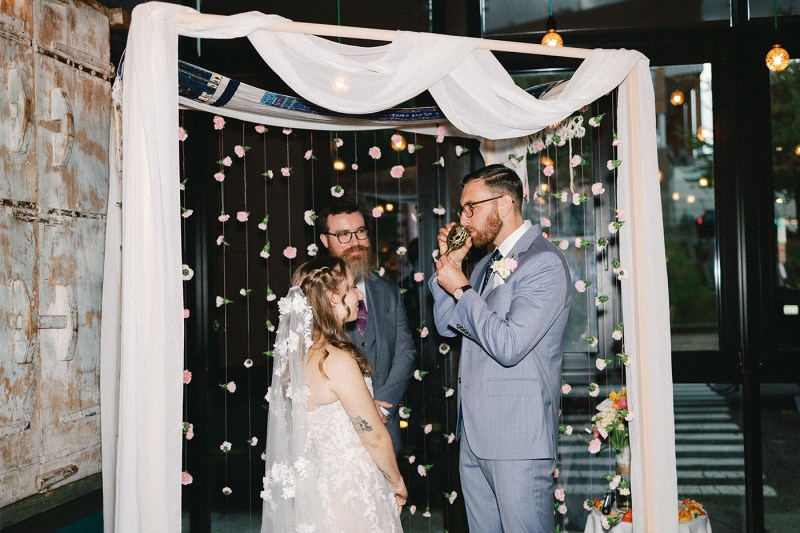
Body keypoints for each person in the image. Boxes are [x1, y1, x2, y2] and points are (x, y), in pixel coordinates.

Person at [429, 164, 571, 533]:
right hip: (475, 435)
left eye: (470, 207)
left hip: (517, 439)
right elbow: (447, 325)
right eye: (462, 209)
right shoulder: (482, 267)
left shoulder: (544, 263)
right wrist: (453, 266)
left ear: (505, 204)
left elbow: (508, 345)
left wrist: (461, 289)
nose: (463, 218)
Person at [261, 257, 407, 532]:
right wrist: (397, 481)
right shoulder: (336, 359)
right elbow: (374, 437)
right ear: (331, 299)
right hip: (351, 492)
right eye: (351, 288)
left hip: (319, 490)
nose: (359, 294)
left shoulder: (303, 359)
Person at [316, 201, 416, 453]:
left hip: (385, 426)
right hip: (336, 432)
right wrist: (359, 408)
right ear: (325, 240)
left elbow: (405, 352)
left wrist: (381, 407)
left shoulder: (389, 291)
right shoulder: (311, 295)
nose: (355, 242)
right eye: (343, 235)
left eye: (361, 232)